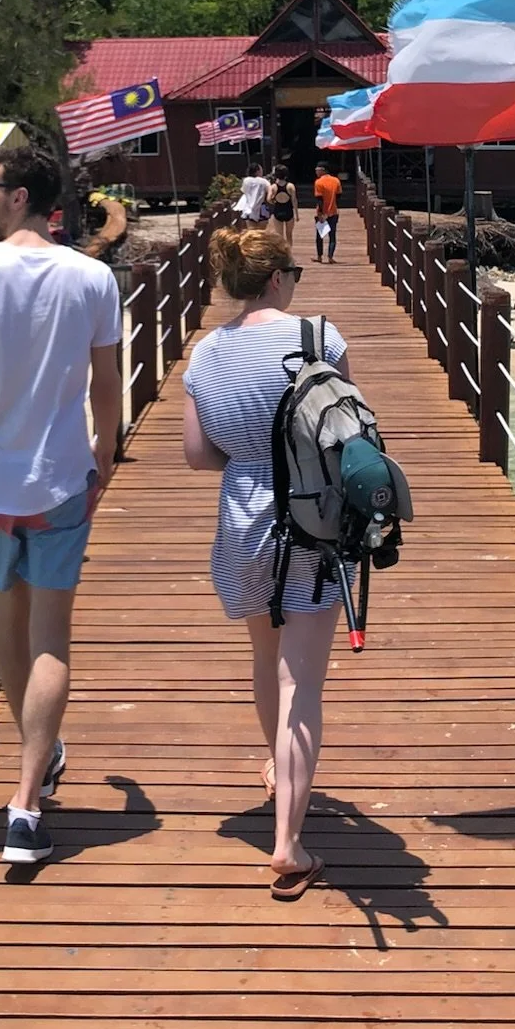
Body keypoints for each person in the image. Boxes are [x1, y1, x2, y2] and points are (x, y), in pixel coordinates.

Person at [0, 140, 122, 865]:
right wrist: (104, 455)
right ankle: (27, 799)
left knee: (9, 629)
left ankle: (36, 766)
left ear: (20, 196)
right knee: (51, 639)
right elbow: (108, 384)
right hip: (60, 479)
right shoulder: (91, 277)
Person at [182, 225, 350, 899]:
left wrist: (251, 458)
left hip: (242, 516)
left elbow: (197, 455)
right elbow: (348, 439)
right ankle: (288, 843)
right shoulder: (321, 341)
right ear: (278, 278)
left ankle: (279, 772)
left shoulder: (205, 355)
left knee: (265, 656)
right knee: (301, 683)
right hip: (313, 518)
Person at [312, 162, 342, 263]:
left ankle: (319, 256)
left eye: (317, 170)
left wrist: (321, 213)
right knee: (332, 235)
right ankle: (330, 256)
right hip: (333, 211)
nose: (316, 171)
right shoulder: (336, 180)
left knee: (320, 235)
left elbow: (319, 199)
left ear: (323, 170)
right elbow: (338, 195)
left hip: (322, 213)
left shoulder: (318, 182)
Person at [266, 165, 298, 250]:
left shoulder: (273, 186)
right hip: (288, 211)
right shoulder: (290, 186)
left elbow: (268, 199)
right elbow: (294, 200)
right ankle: (289, 253)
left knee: (279, 235)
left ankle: (281, 254)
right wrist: (297, 214)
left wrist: (274, 202)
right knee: (289, 235)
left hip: (278, 211)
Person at [234, 162, 269, 227]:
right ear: (258, 171)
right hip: (262, 208)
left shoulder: (246, 181)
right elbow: (270, 192)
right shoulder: (264, 181)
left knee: (251, 233)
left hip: (248, 208)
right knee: (262, 233)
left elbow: (243, 191)